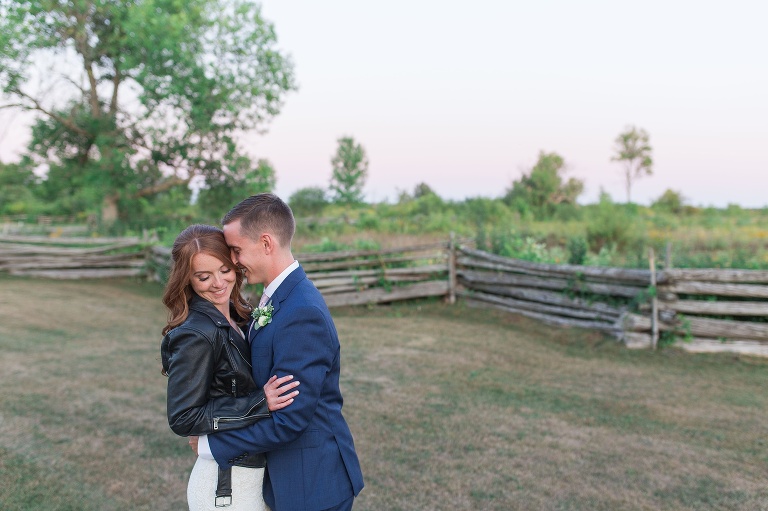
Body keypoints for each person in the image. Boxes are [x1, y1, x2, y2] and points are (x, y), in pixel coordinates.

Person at [194, 194, 364, 511]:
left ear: (267, 243)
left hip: (312, 484)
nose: (233, 260)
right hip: (292, 478)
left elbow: (288, 420)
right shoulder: (278, 297)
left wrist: (210, 443)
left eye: (236, 250)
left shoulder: (302, 313)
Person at [161, 224, 300, 510]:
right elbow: (183, 417)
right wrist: (260, 402)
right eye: (203, 276)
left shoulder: (242, 315)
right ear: (187, 280)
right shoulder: (196, 334)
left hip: (252, 475)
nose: (218, 282)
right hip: (225, 484)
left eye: (224, 270)